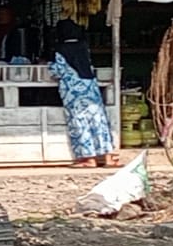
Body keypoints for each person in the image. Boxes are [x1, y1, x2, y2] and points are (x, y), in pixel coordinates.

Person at [49, 19, 120, 168]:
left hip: (73, 91)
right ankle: (108, 158)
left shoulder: (60, 49)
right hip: (90, 88)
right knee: (98, 121)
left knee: (80, 123)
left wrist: (48, 65)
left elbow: (57, 71)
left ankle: (89, 159)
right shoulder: (83, 47)